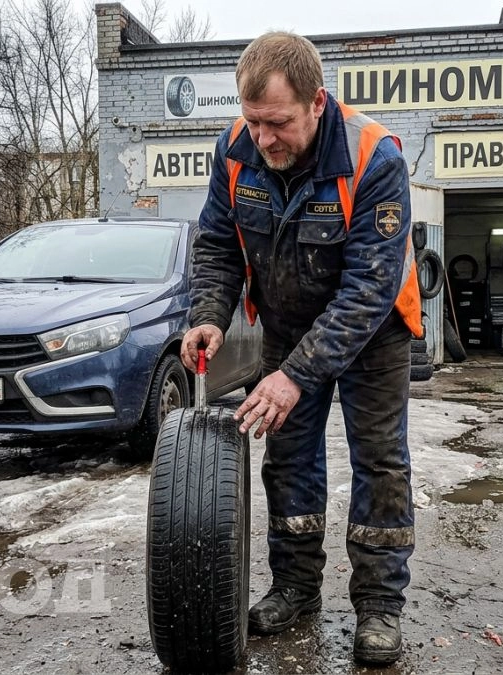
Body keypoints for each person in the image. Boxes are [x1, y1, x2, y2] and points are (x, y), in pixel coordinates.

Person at [180, 31, 423, 666]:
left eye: (278, 123)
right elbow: (217, 245)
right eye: (253, 121)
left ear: (317, 103)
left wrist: (295, 375)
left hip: (372, 333)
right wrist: (209, 314)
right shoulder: (235, 152)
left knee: (380, 463)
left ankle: (378, 606)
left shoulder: (375, 158)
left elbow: (369, 288)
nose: (263, 138)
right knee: (288, 459)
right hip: (287, 324)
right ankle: (294, 589)